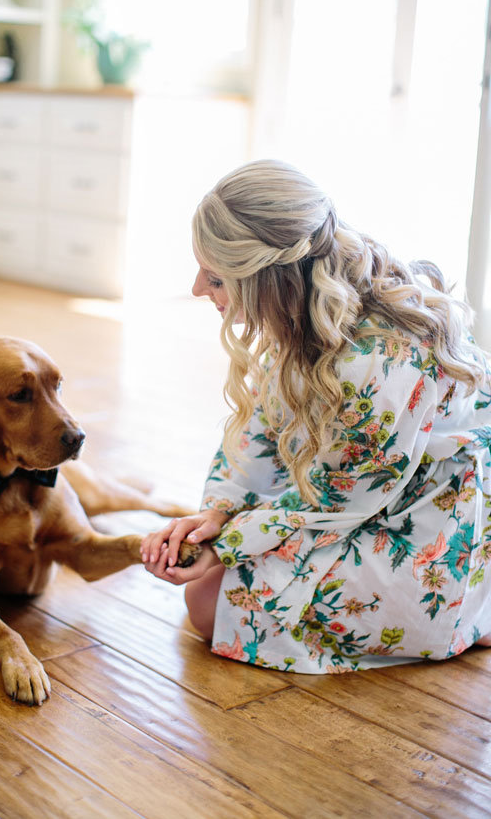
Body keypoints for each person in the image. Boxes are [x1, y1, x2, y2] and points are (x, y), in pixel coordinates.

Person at [140, 159, 491, 674]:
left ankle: (470, 609)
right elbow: (259, 432)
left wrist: (227, 545)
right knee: (213, 595)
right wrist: (216, 513)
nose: (197, 288)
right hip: (365, 489)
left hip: (427, 514)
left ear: (269, 278)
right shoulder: (303, 308)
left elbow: (342, 497)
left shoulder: (382, 358)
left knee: (209, 603)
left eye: (215, 277)